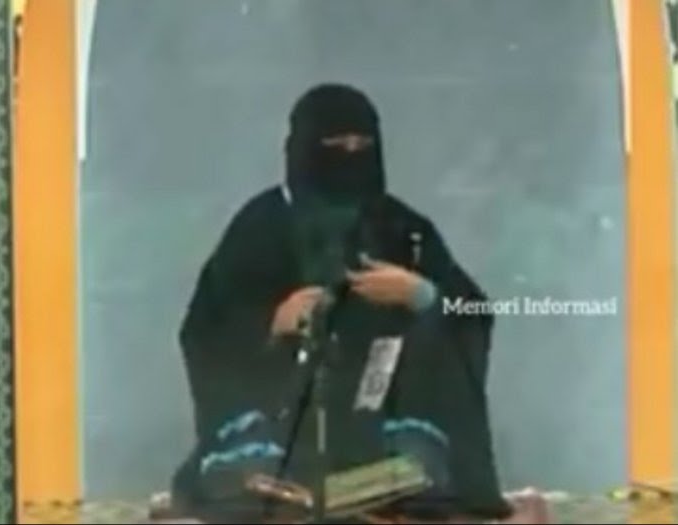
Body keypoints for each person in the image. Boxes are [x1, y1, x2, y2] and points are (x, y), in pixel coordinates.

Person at [170, 84, 526, 523]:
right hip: (279, 422)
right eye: (334, 146)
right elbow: (203, 331)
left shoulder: (404, 228)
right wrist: (273, 322)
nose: (350, 157)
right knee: (246, 471)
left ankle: (377, 488)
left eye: (361, 146)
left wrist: (422, 296)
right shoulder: (259, 227)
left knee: (418, 462)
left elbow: (472, 315)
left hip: (385, 415)